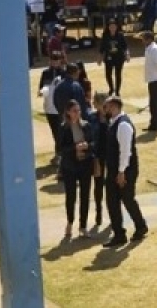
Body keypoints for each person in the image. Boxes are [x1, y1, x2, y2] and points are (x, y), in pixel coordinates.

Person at [102, 96, 148, 248]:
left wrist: (121, 172)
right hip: (114, 169)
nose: (106, 109)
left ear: (114, 106)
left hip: (125, 169)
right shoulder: (113, 122)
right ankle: (119, 234)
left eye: (107, 106)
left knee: (128, 199)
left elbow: (125, 151)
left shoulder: (123, 125)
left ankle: (140, 226)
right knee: (112, 201)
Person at [57, 99, 95, 239]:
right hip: (70, 167)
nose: (77, 113)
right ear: (68, 112)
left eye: (78, 110)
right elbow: (60, 149)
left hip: (85, 165)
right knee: (71, 196)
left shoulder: (86, 125)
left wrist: (87, 146)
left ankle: (83, 225)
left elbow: (93, 143)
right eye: (74, 111)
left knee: (85, 195)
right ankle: (70, 221)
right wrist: (75, 148)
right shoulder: (64, 128)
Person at [88, 92, 109, 233]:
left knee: (112, 186)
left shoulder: (111, 118)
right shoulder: (91, 118)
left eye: (96, 102)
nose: (93, 104)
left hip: (110, 156)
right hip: (97, 155)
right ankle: (99, 211)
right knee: (98, 184)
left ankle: (114, 211)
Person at [142, 31, 157, 131]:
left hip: (155, 78)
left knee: (155, 103)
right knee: (156, 101)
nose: (143, 41)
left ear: (149, 39)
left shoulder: (154, 49)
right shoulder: (149, 49)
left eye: (144, 39)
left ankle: (155, 124)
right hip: (152, 78)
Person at [98, 20, 129, 97]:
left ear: (116, 27)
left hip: (119, 57)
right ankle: (111, 88)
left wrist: (127, 54)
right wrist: (100, 58)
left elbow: (125, 46)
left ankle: (117, 91)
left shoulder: (120, 35)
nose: (112, 28)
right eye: (111, 26)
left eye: (114, 26)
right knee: (108, 74)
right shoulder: (105, 36)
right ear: (108, 27)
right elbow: (102, 48)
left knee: (118, 74)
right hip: (109, 57)